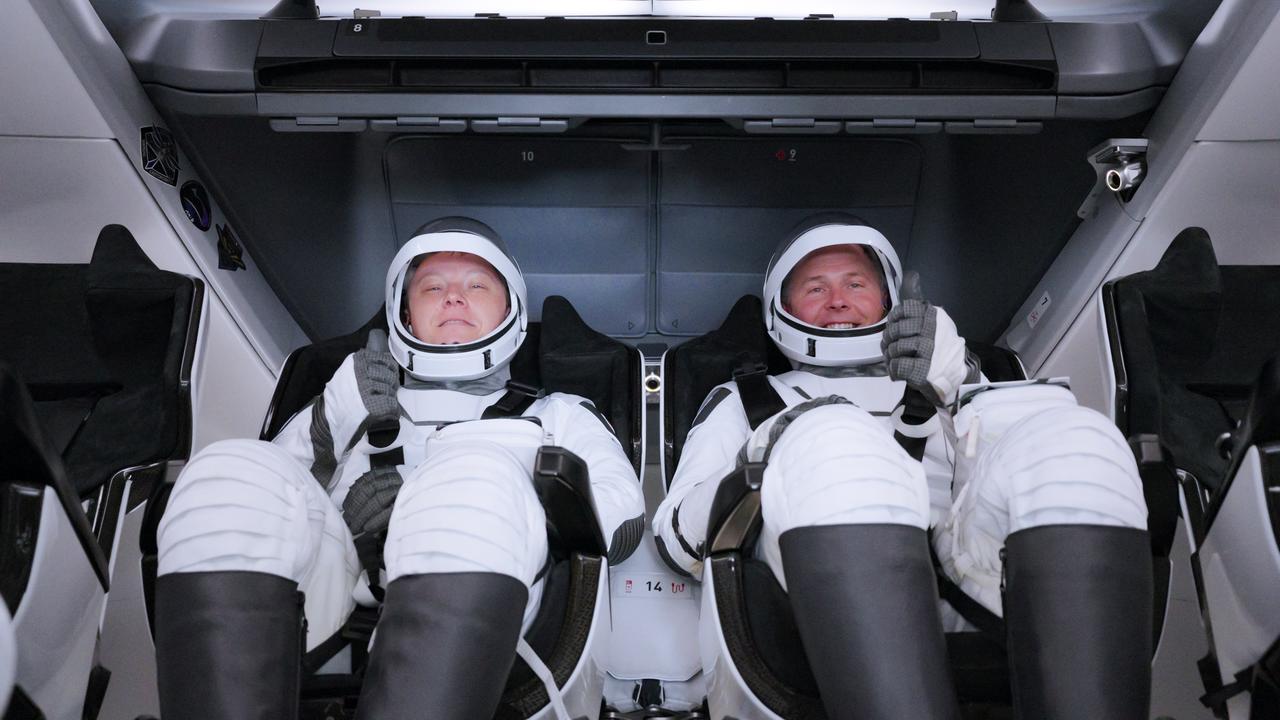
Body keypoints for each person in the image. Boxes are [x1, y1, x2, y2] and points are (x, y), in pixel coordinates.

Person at [654, 213, 1153, 719]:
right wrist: (775, 440)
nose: (838, 300)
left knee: (1073, 435)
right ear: (780, 310)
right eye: (814, 288)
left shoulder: (954, 381)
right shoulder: (747, 401)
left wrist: (961, 386)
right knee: (833, 438)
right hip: (804, 600)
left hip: (969, 585)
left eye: (855, 283)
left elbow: (997, 489)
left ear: (890, 301)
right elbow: (676, 539)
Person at [154, 217, 645, 720]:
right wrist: (330, 437)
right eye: (433, 287)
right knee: (228, 472)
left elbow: (624, 515)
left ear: (511, 309)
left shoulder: (557, 414)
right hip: (334, 618)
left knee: (473, 482)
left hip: (509, 633)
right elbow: (273, 504)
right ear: (404, 314)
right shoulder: (345, 405)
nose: (454, 297)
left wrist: (490, 511)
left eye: (477, 284)